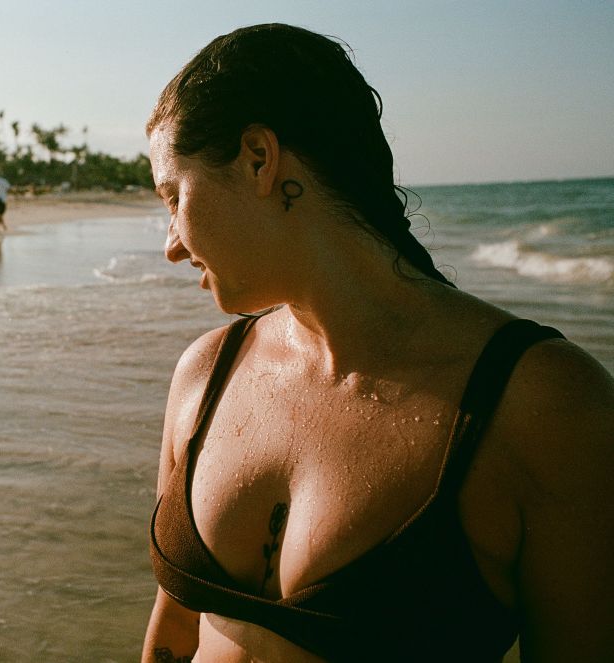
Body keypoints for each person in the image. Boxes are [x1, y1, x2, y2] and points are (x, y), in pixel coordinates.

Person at [142, 23, 613, 663]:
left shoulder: (542, 406)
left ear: (259, 158)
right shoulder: (204, 375)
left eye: (174, 195)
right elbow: (173, 631)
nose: (171, 243)